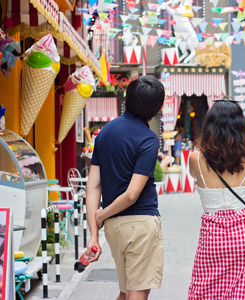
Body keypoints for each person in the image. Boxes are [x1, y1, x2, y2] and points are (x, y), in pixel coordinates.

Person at [85, 75, 165, 300]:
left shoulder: (105, 133)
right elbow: (132, 194)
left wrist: (94, 233)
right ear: (157, 108)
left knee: (126, 292)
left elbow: (93, 186)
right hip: (140, 225)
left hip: (114, 229)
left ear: (127, 100)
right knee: (137, 293)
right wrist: (102, 214)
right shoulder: (148, 140)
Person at [187, 100, 245, 299]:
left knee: (205, 292)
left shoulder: (196, 158)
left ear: (210, 126)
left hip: (213, 237)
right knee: (244, 294)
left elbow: (194, 175)